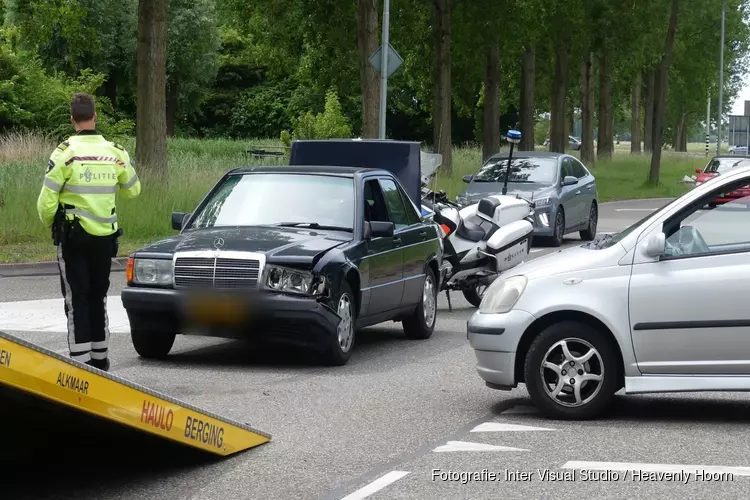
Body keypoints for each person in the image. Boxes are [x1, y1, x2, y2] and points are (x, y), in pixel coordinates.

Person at [36, 92, 142, 372]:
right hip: (105, 238)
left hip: (73, 238)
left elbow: (46, 202)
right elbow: (134, 190)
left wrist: (50, 222)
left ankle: (80, 368)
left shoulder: (64, 153)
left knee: (77, 299)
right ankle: (100, 362)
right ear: (95, 117)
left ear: (72, 120)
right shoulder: (116, 152)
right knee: (99, 297)